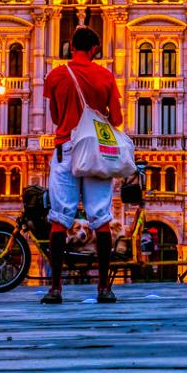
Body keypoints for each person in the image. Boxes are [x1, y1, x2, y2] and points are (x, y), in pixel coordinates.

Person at [41, 26, 123, 305]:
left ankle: (55, 289)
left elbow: (54, 115)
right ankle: (103, 288)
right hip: (97, 152)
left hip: (66, 148)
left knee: (60, 218)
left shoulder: (55, 76)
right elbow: (118, 119)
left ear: (70, 47)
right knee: (100, 218)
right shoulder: (105, 75)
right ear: (94, 50)